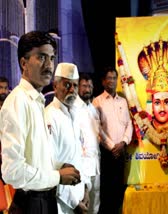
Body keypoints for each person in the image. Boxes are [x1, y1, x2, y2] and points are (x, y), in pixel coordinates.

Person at [0, 30, 80, 214]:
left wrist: (58, 166)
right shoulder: (18, 102)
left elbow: (35, 156)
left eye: (51, 58)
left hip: (44, 200)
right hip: (31, 204)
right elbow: (13, 172)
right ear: (23, 63)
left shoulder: (36, 101)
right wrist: (57, 176)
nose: (49, 66)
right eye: (41, 57)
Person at [45, 63, 89, 213]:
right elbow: (52, 165)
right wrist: (74, 203)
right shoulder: (49, 116)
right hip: (61, 202)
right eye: (67, 84)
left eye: (75, 86)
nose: (72, 90)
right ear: (55, 86)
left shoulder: (75, 115)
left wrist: (86, 188)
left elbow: (80, 156)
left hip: (80, 196)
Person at [93, 66, 133, 214]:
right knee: (106, 192)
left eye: (114, 78)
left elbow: (129, 123)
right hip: (106, 154)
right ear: (103, 82)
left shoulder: (123, 101)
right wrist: (112, 147)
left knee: (119, 191)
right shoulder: (97, 102)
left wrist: (123, 143)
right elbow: (97, 128)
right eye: (108, 78)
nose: (111, 81)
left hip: (122, 151)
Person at [74, 72, 101, 214]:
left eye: (90, 86)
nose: (87, 89)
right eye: (84, 86)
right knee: (82, 202)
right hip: (82, 164)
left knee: (95, 200)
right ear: (78, 87)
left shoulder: (93, 109)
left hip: (95, 163)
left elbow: (96, 136)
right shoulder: (73, 108)